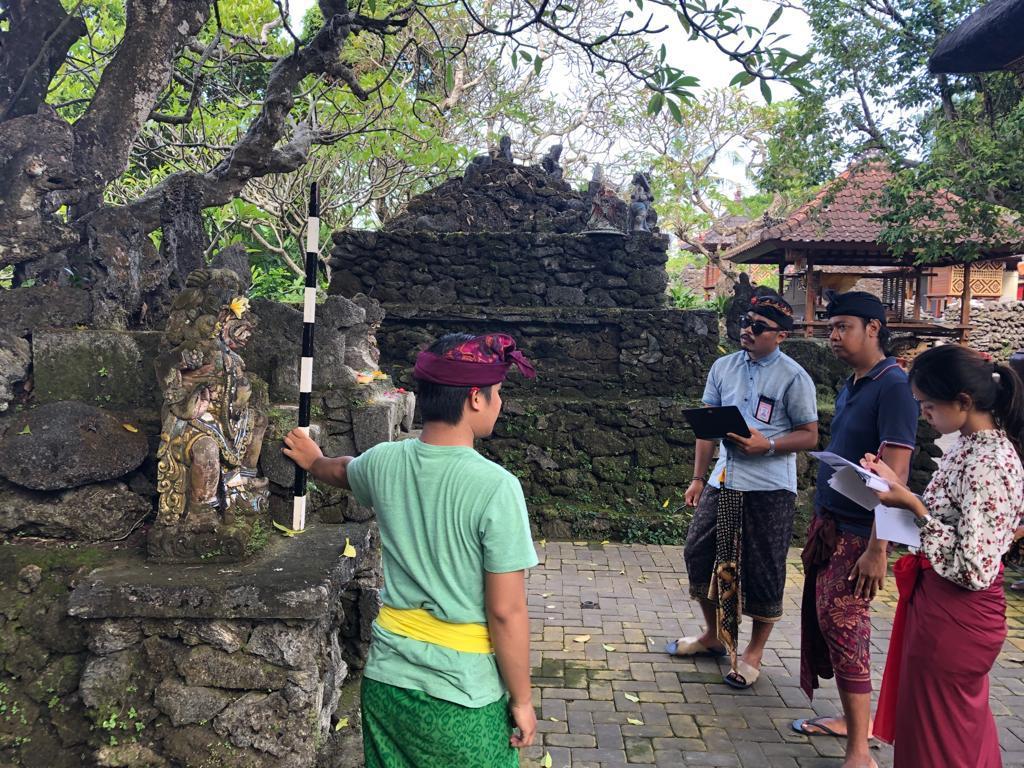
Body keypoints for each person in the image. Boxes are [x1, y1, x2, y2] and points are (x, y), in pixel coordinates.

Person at [283, 333, 539, 768]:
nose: (501, 404)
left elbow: (344, 471)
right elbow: (505, 613)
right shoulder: (498, 488)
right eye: (498, 394)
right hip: (463, 697)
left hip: (387, 685)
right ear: (476, 398)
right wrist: (523, 700)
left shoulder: (385, 463)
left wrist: (312, 461)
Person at [863, 344, 1024, 767]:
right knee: (944, 728)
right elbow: (951, 521)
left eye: (928, 406)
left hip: (958, 612)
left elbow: (975, 567)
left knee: (942, 736)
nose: (923, 415)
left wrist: (913, 508)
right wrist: (893, 488)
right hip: (939, 604)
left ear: (964, 402)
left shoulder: (988, 461)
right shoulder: (970, 447)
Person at [793, 291, 918, 768]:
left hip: (860, 532)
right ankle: (854, 722)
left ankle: (860, 750)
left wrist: (877, 547)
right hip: (831, 523)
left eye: (843, 326)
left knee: (847, 629)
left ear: (873, 328)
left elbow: (896, 474)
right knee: (830, 623)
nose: (834, 336)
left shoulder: (894, 386)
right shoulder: (855, 381)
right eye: (830, 327)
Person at [671, 293, 819, 689]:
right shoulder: (723, 367)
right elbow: (707, 427)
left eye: (758, 327)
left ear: (781, 335)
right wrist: (698, 478)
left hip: (770, 486)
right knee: (698, 552)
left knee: (765, 567)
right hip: (725, 478)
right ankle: (714, 635)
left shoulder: (793, 377)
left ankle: (753, 652)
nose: (747, 331)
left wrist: (766, 445)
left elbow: (810, 435)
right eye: (745, 322)